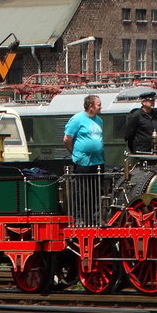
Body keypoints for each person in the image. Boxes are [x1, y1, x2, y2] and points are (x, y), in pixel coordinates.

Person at [63, 94, 105, 225]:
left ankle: (94, 217)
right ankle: (79, 218)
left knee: (96, 190)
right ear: (91, 106)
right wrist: (74, 153)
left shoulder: (99, 120)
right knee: (82, 191)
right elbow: (67, 139)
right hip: (83, 161)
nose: (101, 107)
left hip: (98, 161)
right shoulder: (77, 119)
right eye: (99, 105)